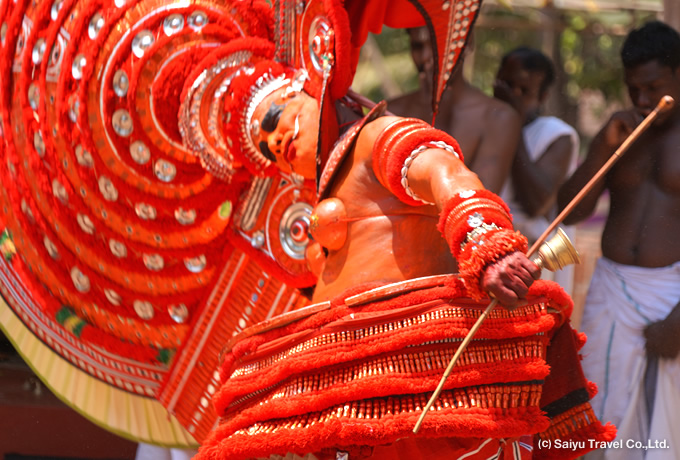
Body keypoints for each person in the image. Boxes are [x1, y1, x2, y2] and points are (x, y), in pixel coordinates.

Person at [192, 5, 614, 457]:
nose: (276, 141)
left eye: (276, 118)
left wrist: (487, 246)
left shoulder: (378, 136)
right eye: (265, 148)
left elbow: (442, 173)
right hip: (355, 394)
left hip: (424, 373)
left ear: (314, 91)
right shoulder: (311, 200)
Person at [557, 20, 680, 460]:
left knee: (667, 428)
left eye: (654, 87)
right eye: (634, 90)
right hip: (611, 290)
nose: (644, 101)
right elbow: (569, 210)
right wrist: (605, 151)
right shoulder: (621, 130)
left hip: (672, 295)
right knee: (599, 408)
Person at [387, 26, 522, 194]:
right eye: (418, 46)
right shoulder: (391, 112)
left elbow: (479, 200)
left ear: (468, 43)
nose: (426, 57)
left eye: (438, 46)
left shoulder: (497, 117)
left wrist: (438, 109)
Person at [494, 47, 580, 297]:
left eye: (524, 91)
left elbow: (537, 203)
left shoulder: (558, 134)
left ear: (541, 97)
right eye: (507, 86)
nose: (513, 96)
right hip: (486, 248)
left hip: (529, 260)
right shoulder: (482, 123)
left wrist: (513, 124)